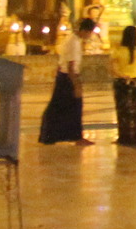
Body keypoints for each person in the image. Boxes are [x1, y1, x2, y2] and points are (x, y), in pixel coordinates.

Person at [39, 18, 96, 146]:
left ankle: (51, 136)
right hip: (68, 77)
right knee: (75, 107)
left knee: (59, 108)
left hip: (63, 76)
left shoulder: (70, 39)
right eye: (89, 32)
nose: (89, 35)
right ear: (85, 31)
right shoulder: (74, 42)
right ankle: (75, 137)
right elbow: (71, 66)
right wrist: (76, 85)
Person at [112, 23, 136, 146]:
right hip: (135, 81)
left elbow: (112, 68)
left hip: (121, 82)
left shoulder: (118, 51)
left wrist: (122, 76)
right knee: (134, 110)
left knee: (122, 111)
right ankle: (135, 136)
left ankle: (124, 138)